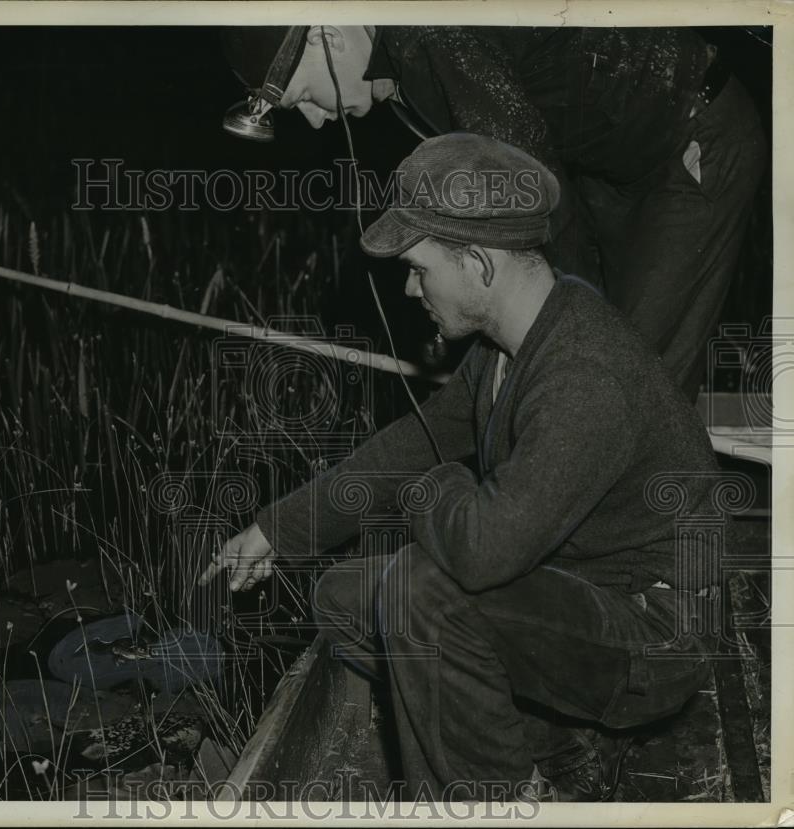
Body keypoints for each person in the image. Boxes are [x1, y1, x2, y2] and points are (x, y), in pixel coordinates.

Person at [200, 133, 722, 802]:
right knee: (345, 599)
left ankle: (503, 800)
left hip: (653, 633)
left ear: (477, 262)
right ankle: (550, 746)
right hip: (583, 585)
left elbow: (478, 552)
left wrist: (437, 487)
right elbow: (407, 447)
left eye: (419, 268)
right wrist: (275, 531)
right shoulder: (509, 345)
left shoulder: (583, 375)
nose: (411, 288)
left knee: (421, 592)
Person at [220, 25, 767, 400]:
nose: (317, 120)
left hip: (691, 135)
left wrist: (544, 335)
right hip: (608, 164)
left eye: (305, 98)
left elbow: (527, 193)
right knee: (586, 370)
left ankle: (662, 566)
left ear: (327, 34)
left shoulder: (428, 36)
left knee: (628, 384)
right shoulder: (400, 63)